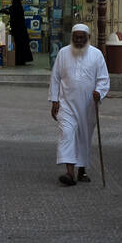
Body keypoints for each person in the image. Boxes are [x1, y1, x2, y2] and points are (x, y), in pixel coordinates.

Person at [49, 23, 110, 185]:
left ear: (88, 38)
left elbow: (103, 80)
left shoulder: (96, 55)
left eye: (81, 37)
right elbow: (55, 78)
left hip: (88, 106)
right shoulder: (63, 53)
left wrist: (99, 92)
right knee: (67, 134)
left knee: (84, 137)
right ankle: (70, 173)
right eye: (75, 37)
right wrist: (54, 100)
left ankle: (81, 170)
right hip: (66, 104)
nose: (78, 40)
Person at [4, 0, 33, 66]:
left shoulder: (14, 7)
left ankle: (18, 60)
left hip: (16, 30)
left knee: (18, 45)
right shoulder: (20, 7)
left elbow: (9, 12)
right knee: (22, 45)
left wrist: (0, 10)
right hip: (22, 30)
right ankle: (23, 60)